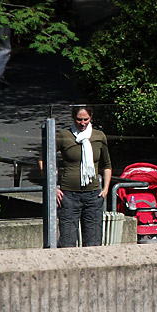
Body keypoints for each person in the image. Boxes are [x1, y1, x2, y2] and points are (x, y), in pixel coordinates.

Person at [53, 105, 112, 247]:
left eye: (86, 119)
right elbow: (45, 159)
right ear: (74, 118)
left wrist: (105, 189)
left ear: (91, 117)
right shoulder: (64, 136)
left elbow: (107, 164)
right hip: (68, 195)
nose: (83, 123)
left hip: (93, 195)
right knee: (67, 241)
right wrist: (53, 186)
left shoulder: (99, 136)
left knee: (93, 242)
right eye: (79, 119)